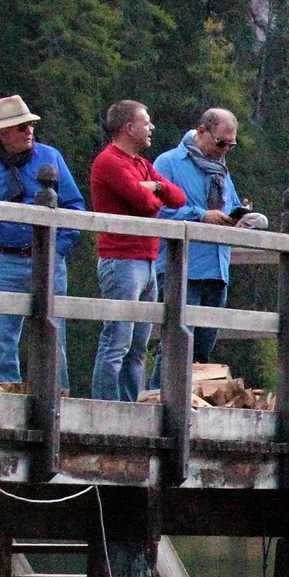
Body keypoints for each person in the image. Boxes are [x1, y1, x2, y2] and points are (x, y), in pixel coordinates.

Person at [0, 96, 84, 388]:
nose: (28, 130)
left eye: (29, 125)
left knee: (54, 332)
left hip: (47, 257)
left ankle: (56, 394)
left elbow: (75, 207)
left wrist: (57, 249)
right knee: (3, 335)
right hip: (3, 257)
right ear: (1, 133)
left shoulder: (50, 156)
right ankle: (9, 392)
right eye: (20, 127)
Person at [87, 100, 200, 401]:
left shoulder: (141, 164)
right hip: (121, 259)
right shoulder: (109, 161)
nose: (151, 127)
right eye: (146, 121)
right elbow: (144, 203)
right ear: (128, 127)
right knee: (117, 342)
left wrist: (154, 188)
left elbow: (177, 197)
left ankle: (129, 406)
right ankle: (105, 407)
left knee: (138, 346)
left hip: (147, 260)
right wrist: (151, 191)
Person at [151, 107, 265, 364]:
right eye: (221, 143)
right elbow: (157, 212)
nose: (225, 150)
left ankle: (192, 400)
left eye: (231, 145)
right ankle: (161, 396)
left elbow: (229, 208)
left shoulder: (221, 171)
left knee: (202, 351)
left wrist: (241, 219)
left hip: (217, 268)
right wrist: (201, 215)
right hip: (182, 268)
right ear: (202, 131)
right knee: (176, 346)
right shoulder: (168, 163)